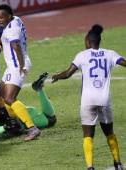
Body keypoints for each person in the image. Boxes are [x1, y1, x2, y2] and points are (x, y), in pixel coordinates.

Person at [52, 24, 125, 170]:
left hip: (87, 101)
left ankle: (90, 167)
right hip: (104, 100)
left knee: (88, 135)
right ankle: (117, 163)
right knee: (109, 132)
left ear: (87, 42)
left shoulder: (82, 55)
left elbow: (67, 73)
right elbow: (124, 63)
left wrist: (56, 76)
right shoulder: (110, 54)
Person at [0, 4, 40, 141]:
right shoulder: (16, 20)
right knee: (2, 94)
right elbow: (8, 41)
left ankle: (32, 128)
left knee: (9, 98)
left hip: (17, 66)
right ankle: (16, 125)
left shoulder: (11, 30)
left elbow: (16, 46)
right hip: (13, 66)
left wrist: (21, 65)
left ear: (9, 16)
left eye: (2, 17)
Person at [0, 72, 56, 136]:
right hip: (24, 118)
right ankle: (38, 88)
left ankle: (39, 88)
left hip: (28, 117)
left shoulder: (8, 106)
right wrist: (5, 127)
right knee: (50, 119)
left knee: (50, 119)